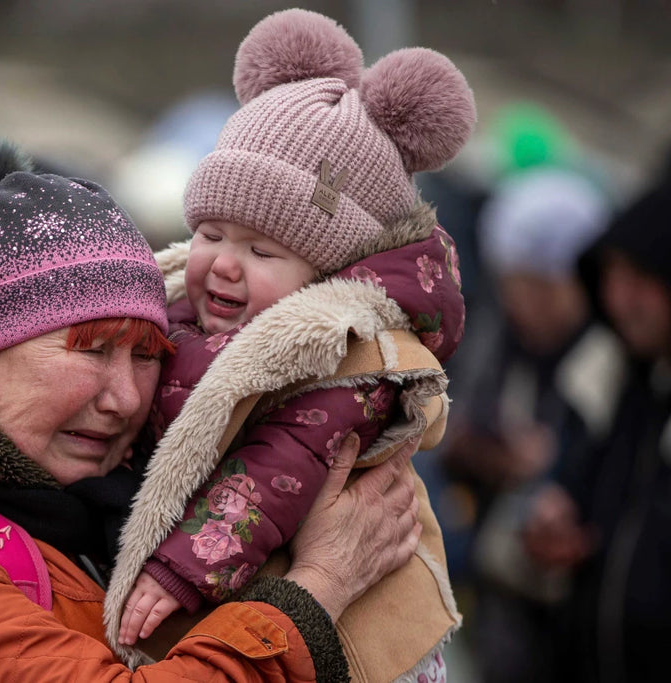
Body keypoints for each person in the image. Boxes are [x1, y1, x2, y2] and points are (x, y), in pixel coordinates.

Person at [0, 129, 423, 681]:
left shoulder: (92, 512)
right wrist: (319, 587)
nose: (125, 397)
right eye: (91, 350)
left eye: (146, 354)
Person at [107, 9, 475, 681]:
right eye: (211, 233)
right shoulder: (186, 313)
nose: (221, 263)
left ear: (327, 272)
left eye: (261, 249)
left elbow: (282, 465)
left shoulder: (345, 352)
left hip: (361, 637)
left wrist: (182, 570)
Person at [439, 165, 618, 682]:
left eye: (542, 287)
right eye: (514, 285)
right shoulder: (496, 339)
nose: (526, 304)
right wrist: (494, 458)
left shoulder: (610, 358)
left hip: (580, 599)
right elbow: (443, 428)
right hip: (497, 583)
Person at [522, 171, 671, 683]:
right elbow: (569, 488)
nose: (622, 299)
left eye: (642, 279)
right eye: (613, 276)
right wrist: (551, 517)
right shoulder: (609, 380)